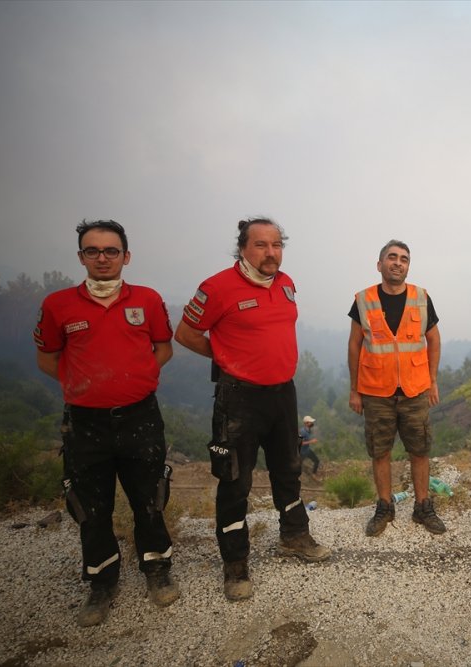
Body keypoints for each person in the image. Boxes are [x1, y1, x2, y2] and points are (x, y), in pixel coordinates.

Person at [175, 217, 330, 602]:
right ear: (243, 248)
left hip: (283, 394)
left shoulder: (287, 283)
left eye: (277, 245)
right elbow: (186, 333)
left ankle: (294, 536)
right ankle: (235, 563)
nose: (270, 252)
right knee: (235, 480)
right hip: (239, 397)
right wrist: (227, 356)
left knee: (289, 469)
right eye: (261, 245)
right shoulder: (216, 288)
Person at [33, 220, 179, 626]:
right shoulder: (58, 305)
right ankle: (101, 581)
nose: (102, 258)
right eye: (92, 251)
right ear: (81, 257)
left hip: (140, 416)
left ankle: (157, 568)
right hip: (84, 424)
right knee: (90, 508)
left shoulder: (147, 300)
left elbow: (163, 346)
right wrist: (84, 386)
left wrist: (137, 376)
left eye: (111, 251)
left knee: (149, 499)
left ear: (125, 257)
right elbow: (47, 359)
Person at [348, 240, 446, 536]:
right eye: (392, 257)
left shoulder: (421, 297)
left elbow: (434, 340)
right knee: (380, 452)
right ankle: (384, 507)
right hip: (376, 391)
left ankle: (423, 506)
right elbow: (354, 346)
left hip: (415, 390)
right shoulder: (364, 300)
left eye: (404, 259)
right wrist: (355, 390)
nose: (398, 263)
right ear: (380, 265)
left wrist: (432, 381)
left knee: (420, 449)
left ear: (408, 266)